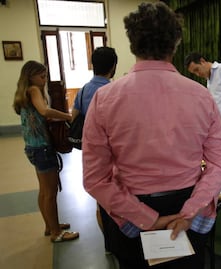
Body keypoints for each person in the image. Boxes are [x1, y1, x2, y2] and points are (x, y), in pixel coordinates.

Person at [82, 2, 221, 269]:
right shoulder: (202, 96)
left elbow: (95, 178)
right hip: (188, 206)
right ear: (176, 43)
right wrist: (188, 212)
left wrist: (147, 217)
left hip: (130, 208)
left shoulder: (104, 99)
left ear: (131, 43)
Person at [12, 60, 79, 243]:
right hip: (42, 148)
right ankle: (57, 233)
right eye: (42, 76)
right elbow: (44, 111)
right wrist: (67, 116)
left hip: (32, 147)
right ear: (30, 76)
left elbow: (36, 116)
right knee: (50, 193)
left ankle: (50, 226)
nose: (44, 80)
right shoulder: (34, 89)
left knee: (43, 191)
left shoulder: (24, 94)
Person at [71, 46, 118, 254]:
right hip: (115, 154)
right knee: (116, 196)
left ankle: (108, 243)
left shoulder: (83, 90)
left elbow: (74, 117)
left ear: (93, 65)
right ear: (114, 67)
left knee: (100, 200)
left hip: (92, 155)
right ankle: (119, 239)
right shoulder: (114, 91)